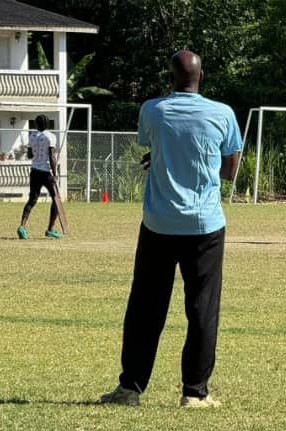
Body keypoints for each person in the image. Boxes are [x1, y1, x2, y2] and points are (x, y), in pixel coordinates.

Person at [100, 50, 242, 408]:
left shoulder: (153, 109)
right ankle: (194, 392)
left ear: (171, 76)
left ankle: (130, 389)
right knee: (202, 309)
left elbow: (153, 144)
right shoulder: (223, 114)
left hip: (159, 224)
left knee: (145, 307)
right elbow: (230, 169)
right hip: (204, 225)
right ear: (201, 75)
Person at [17, 115, 62, 239]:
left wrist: (37, 151)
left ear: (36, 125)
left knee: (32, 200)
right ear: (47, 124)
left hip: (34, 171)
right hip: (46, 172)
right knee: (56, 199)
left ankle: (22, 226)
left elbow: (30, 155)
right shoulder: (50, 136)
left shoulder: (32, 136)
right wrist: (55, 173)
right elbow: (52, 156)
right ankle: (51, 229)